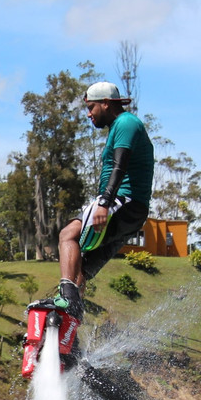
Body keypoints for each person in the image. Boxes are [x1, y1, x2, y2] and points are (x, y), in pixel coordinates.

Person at [54, 82, 154, 321]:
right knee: (82, 268)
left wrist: (105, 202)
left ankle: (67, 298)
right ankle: (70, 333)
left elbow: (120, 164)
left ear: (105, 104)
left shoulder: (126, 123)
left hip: (123, 201)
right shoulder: (120, 126)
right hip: (132, 209)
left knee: (68, 235)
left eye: (91, 107)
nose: (89, 114)